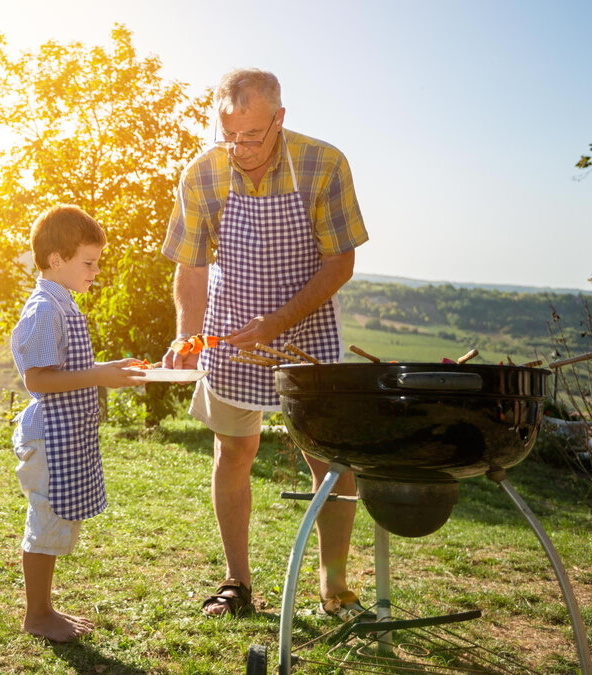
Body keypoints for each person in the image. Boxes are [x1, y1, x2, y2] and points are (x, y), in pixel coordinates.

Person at [161, 68, 369, 619]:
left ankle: (335, 586)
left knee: (329, 460)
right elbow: (192, 269)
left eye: (252, 135)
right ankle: (237, 583)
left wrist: (278, 321)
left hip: (306, 332)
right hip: (231, 331)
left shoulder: (323, 164)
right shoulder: (202, 175)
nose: (240, 148)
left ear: (280, 119)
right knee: (234, 451)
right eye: (228, 135)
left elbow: (340, 261)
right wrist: (187, 332)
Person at [10, 204, 146, 642]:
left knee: (55, 521)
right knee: (45, 520)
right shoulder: (44, 309)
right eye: (89, 263)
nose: (95, 272)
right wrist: (100, 376)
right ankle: (37, 615)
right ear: (57, 260)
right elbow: (38, 379)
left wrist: (110, 366)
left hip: (63, 435)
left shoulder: (61, 301)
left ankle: (45, 606)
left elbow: (67, 367)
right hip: (48, 434)